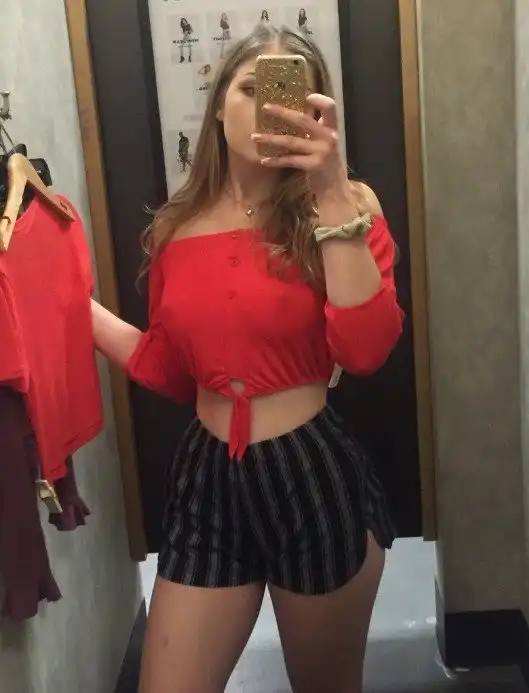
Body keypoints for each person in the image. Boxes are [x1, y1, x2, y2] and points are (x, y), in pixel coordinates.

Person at [91, 24, 404, 693]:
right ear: (217, 106)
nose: (268, 106)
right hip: (206, 479)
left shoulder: (346, 207)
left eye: (288, 92)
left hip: (309, 472)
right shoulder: (177, 226)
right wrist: (72, 308)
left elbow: (366, 350)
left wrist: (330, 190)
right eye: (250, 87)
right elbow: (171, 368)